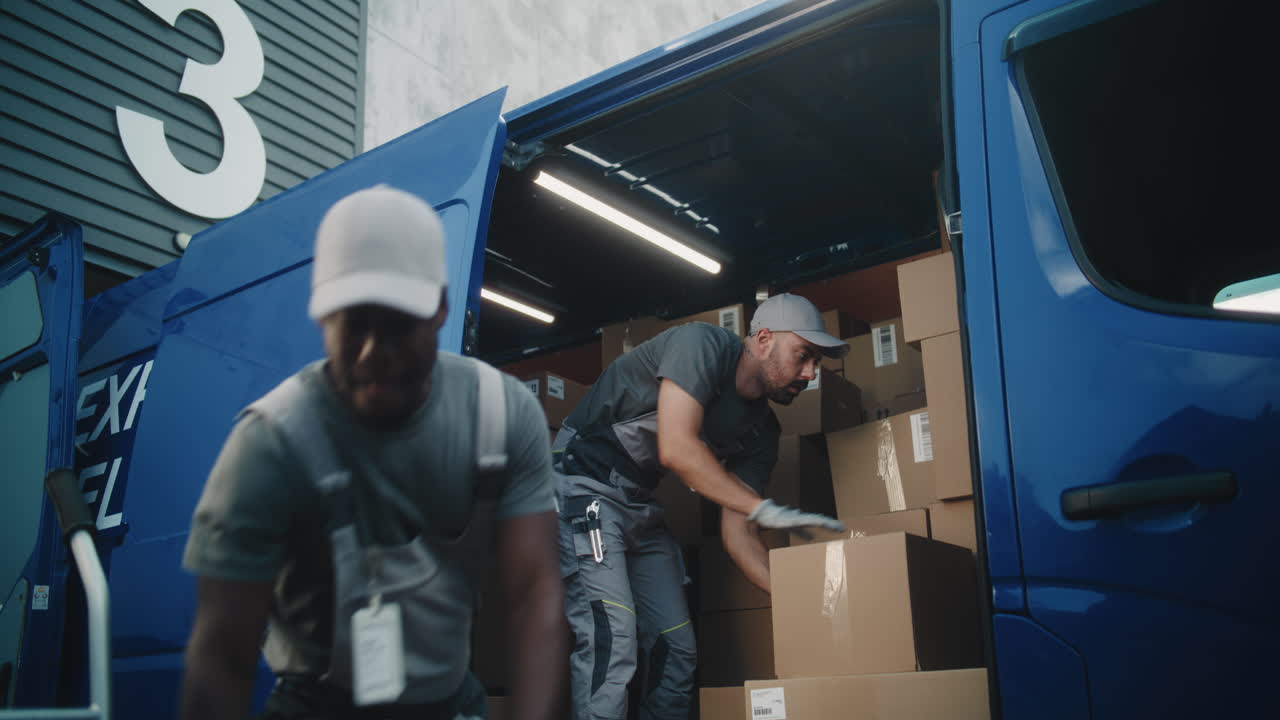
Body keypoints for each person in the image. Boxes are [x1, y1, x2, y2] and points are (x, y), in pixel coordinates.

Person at [179, 185, 566, 720]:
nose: (372, 353)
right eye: (354, 324)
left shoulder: (501, 415)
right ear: (322, 318)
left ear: (440, 310)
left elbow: (533, 595)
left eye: (398, 326)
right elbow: (222, 656)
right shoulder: (270, 444)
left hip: (451, 700)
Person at [553, 293, 849, 720]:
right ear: (763, 339)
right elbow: (676, 447)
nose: (810, 373)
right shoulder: (702, 346)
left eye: (817, 362)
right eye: (804, 355)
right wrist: (762, 508)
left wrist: (800, 597)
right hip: (582, 487)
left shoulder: (762, 432)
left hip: (637, 506)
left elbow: (738, 533)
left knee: (676, 649)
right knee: (613, 637)